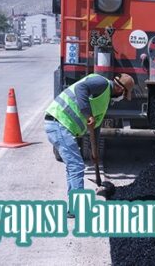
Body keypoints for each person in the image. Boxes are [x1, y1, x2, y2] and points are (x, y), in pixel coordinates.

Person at [44, 73, 134, 210]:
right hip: (58, 122)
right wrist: (87, 114)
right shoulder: (102, 83)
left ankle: (74, 207)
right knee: (76, 165)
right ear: (120, 89)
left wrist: (94, 151)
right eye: (124, 94)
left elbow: (95, 127)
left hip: (62, 126)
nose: (122, 98)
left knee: (73, 167)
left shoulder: (105, 100)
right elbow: (80, 88)